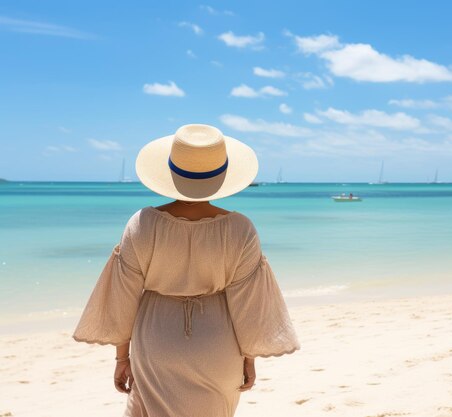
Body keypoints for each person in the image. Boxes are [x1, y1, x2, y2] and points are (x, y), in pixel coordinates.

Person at [73, 124, 300, 417]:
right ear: (220, 176)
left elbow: (122, 297)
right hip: (218, 342)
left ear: (172, 173)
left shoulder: (142, 224)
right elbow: (250, 304)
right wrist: (249, 356)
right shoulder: (240, 229)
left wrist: (121, 356)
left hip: (156, 339)